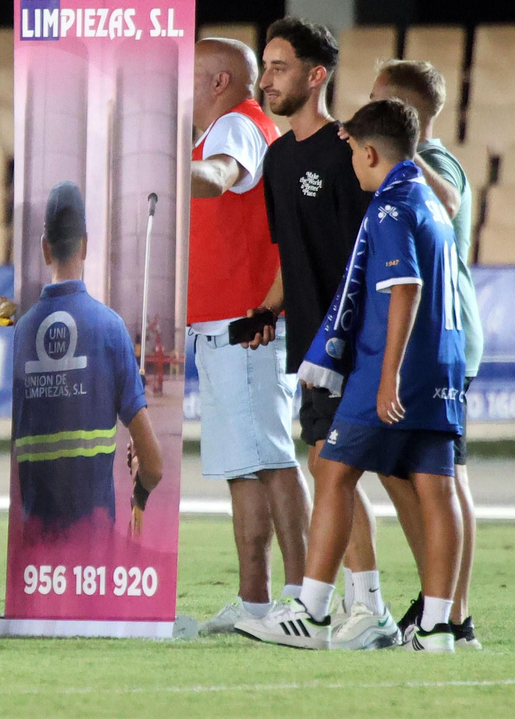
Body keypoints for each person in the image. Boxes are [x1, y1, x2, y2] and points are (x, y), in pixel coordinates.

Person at [236, 99, 467, 653]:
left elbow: (403, 289)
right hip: (442, 361)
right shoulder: (430, 200)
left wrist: (387, 378)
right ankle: (439, 627)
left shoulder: (390, 205)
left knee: (332, 469)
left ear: (368, 152)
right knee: (437, 487)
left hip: (397, 363)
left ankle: (312, 612)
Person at [243, 17, 396, 649]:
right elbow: (292, 255)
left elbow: (371, 249)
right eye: (265, 67)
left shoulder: (346, 151)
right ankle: (370, 609)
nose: (266, 80)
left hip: (353, 342)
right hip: (310, 347)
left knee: (336, 469)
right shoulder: (278, 159)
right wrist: (266, 309)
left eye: (279, 68)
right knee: (326, 466)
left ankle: (359, 608)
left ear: (316, 75)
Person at [186, 38, 311, 634]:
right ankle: (256, 601)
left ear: (219, 81)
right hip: (225, 324)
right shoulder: (227, 128)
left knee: (271, 459)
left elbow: (215, 179)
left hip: (248, 325)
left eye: (188, 77)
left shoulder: (238, 126)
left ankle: (303, 599)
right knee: (247, 465)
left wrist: (151, 169)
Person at [367, 60, 484, 649]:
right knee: (427, 474)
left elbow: (453, 203)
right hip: (439, 339)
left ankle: (448, 610)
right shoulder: (430, 164)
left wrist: (401, 147)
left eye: (378, 102)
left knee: (433, 475)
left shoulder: (433, 165)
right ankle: (445, 606)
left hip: (437, 339)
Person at [13, 181, 163, 536]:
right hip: (93, 546)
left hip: (34, 550)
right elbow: (153, 467)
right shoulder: (110, 328)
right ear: (85, 246)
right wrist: (140, 492)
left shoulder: (22, 332)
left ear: (44, 249)